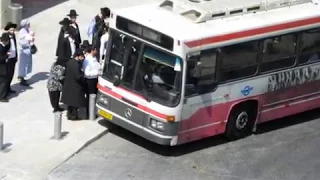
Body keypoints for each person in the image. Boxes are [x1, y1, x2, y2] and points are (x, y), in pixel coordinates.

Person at [61, 49, 86, 120]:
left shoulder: (70, 62)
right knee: (75, 103)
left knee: (70, 103)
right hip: (75, 87)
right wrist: (83, 74)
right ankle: (74, 116)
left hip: (68, 85)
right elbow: (78, 77)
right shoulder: (76, 65)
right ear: (78, 56)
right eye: (81, 56)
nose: (82, 58)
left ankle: (69, 114)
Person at [82, 46, 100, 118]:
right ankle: (89, 113)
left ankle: (93, 112)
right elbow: (87, 73)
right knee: (90, 98)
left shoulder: (94, 58)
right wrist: (96, 73)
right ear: (92, 50)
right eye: (96, 50)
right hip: (90, 81)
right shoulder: (87, 60)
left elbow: (97, 66)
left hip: (95, 79)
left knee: (94, 97)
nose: (97, 52)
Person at [17, 19, 34, 86]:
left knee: (27, 64)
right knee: (23, 65)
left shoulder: (27, 30)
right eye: (28, 23)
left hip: (28, 50)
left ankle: (23, 77)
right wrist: (29, 42)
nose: (29, 25)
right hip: (24, 51)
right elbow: (22, 42)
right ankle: (21, 78)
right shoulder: (22, 32)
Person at [4, 22, 18, 94]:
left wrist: (16, 57)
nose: (12, 31)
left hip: (13, 58)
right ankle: (5, 91)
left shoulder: (14, 36)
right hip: (8, 59)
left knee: (11, 75)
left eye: (13, 30)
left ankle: (8, 88)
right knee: (6, 75)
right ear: (8, 30)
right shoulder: (5, 36)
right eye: (11, 30)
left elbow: (15, 46)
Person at [0, 33, 10, 102]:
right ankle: (2, 97)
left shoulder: (3, 46)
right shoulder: (1, 47)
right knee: (3, 82)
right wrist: (6, 55)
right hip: (1, 68)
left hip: (2, 67)